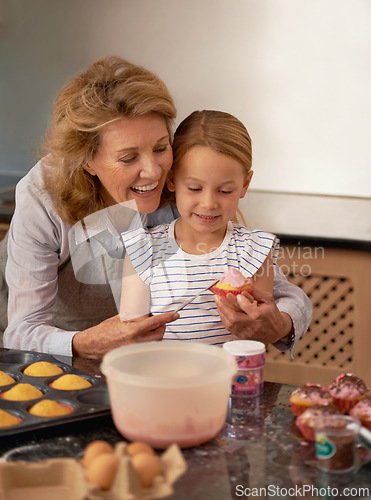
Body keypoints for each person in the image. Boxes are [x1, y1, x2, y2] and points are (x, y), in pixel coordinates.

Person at [1, 56, 311, 359]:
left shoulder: (186, 184)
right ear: (87, 160)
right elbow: (22, 331)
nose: (154, 171)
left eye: (161, 148)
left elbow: (283, 295)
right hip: (48, 351)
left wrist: (278, 324)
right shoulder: (43, 195)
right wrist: (85, 343)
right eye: (128, 158)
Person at [120, 110, 311, 350]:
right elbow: (132, 341)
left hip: (230, 383)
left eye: (225, 191)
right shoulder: (142, 249)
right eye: (194, 188)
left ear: (245, 185)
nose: (209, 203)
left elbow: (253, 341)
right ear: (171, 180)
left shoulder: (255, 251)